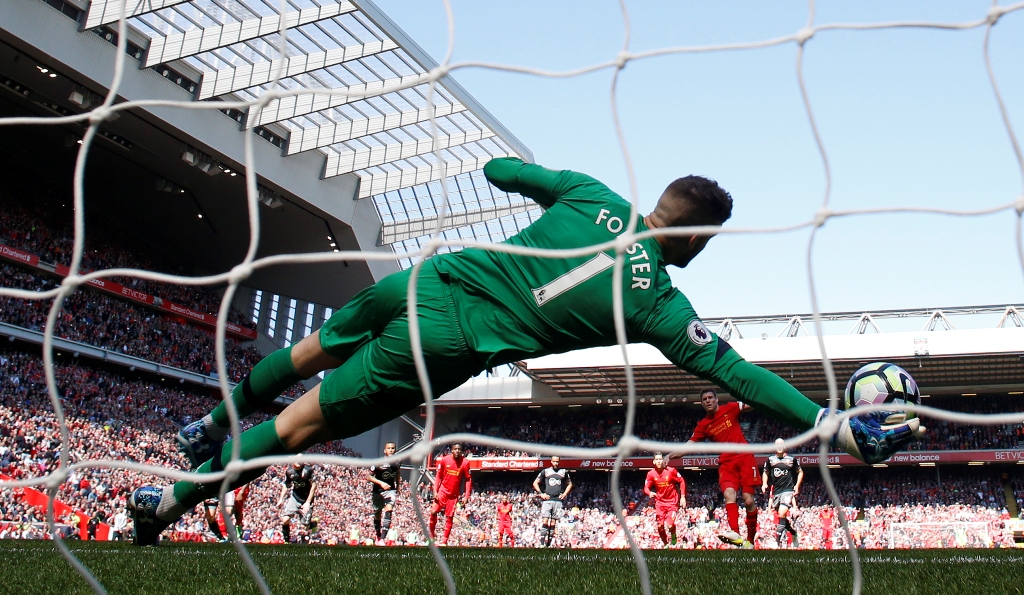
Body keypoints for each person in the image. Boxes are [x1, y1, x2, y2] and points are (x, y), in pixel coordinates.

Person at [130, 157, 922, 545]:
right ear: (690, 234)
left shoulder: (593, 194)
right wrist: (826, 422)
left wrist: (534, 186)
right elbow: (734, 369)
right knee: (302, 425)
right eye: (706, 240)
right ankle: (164, 503)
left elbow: (501, 169)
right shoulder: (660, 304)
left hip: (429, 277)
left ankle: (210, 417)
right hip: (448, 340)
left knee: (309, 347)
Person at [689, 389, 758, 548]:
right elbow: (689, 445)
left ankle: (751, 540)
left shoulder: (730, 408)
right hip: (726, 462)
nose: (708, 401)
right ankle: (735, 533)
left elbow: (752, 405)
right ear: (702, 403)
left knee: (748, 501)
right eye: (704, 399)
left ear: (716, 399)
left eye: (710, 398)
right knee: (728, 494)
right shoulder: (703, 425)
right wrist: (669, 456)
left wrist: (762, 395)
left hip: (745, 457)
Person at [761, 438, 803, 548]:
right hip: (776, 492)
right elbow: (765, 472)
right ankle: (793, 533)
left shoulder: (791, 459)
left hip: (788, 491)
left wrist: (797, 486)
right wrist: (764, 483)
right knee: (782, 517)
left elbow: (800, 472)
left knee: (781, 514)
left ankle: (777, 542)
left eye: (781, 444)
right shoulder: (770, 460)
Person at [429, 443, 471, 546]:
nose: (457, 451)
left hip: (453, 495)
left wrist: (466, 496)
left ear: (462, 451)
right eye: (455, 449)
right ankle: (431, 538)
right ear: (451, 450)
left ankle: (444, 541)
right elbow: (438, 476)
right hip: (442, 491)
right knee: (433, 511)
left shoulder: (465, 463)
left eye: (459, 449)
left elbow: (468, 479)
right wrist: (435, 491)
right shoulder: (445, 460)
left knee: (449, 517)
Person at [643, 452, 685, 548]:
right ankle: (666, 544)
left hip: (672, 502)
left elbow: (681, 480)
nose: (658, 461)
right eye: (657, 459)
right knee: (660, 526)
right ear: (654, 462)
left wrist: (682, 497)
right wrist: (649, 493)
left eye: (660, 459)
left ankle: (673, 535)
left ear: (663, 460)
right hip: (660, 503)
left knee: (670, 525)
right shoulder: (651, 474)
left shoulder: (671, 471)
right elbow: (645, 488)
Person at [533, 455, 572, 548]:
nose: (556, 463)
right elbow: (535, 483)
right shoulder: (545, 471)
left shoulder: (564, 472)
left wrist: (565, 494)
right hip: (548, 500)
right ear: (551, 461)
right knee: (545, 520)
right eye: (554, 461)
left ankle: (549, 544)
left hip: (558, 501)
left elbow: (570, 484)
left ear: (559, 462)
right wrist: (541, 493)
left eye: (557, 461)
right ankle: (542, 543)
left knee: (553, 523)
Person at [367, 441, 402, 543]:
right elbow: (368, 477)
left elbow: (397, 472)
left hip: (390, 491)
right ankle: (378, 535)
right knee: (377, 513)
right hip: (378, 491)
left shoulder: (397, 462)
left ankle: (382, 539)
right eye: (389, 448)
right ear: (385, 450)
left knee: (389, 511)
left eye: (393, 448)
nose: (391, 450)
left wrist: (398, 486)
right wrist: (381, 483)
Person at [277, 462, 315, 544]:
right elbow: (286, 485)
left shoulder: (308, 470)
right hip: (295, 497)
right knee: (285, 520)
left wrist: (308, 502)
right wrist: (281, 499)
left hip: (306, 500)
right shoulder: (289, 471)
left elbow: (314, 486)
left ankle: (314, 524)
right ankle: (286, 541)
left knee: (305, 527)